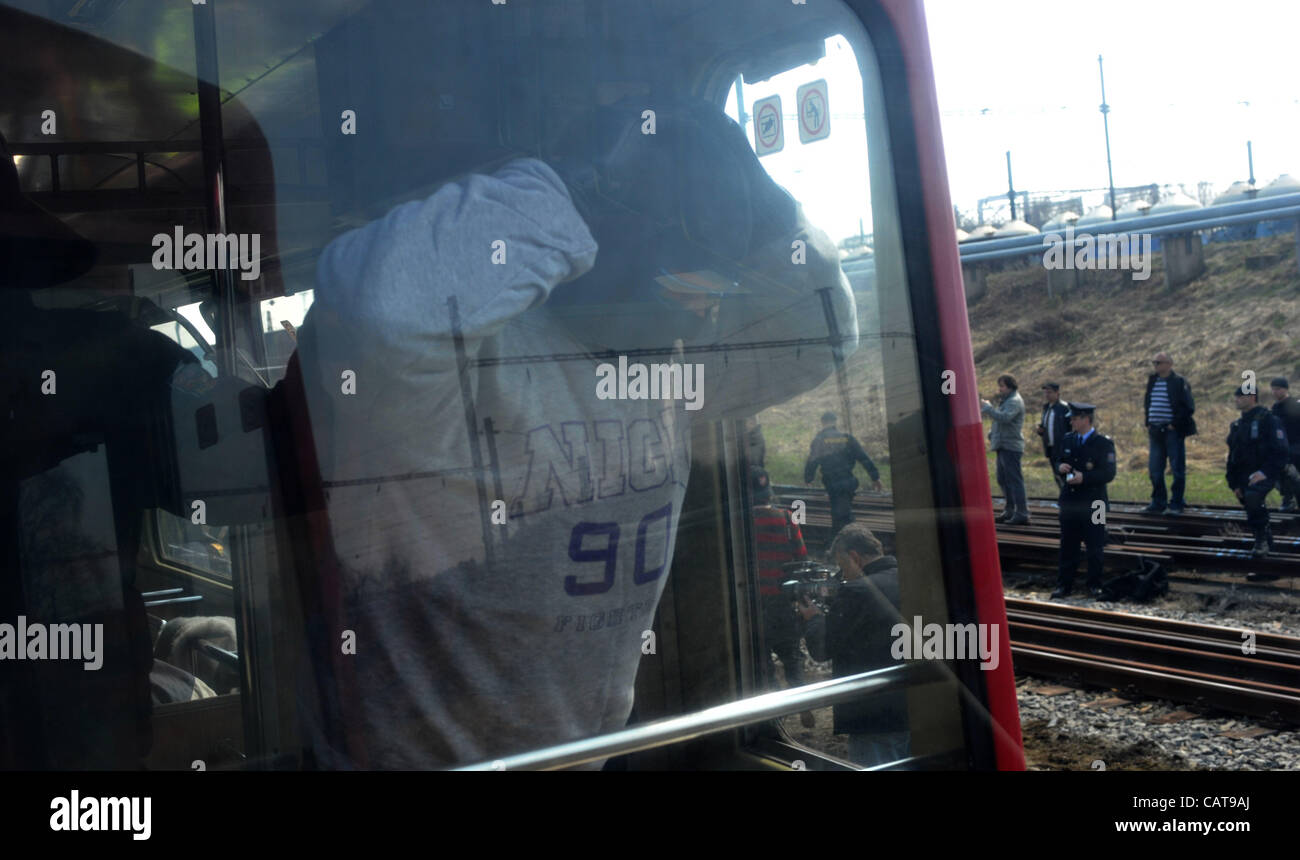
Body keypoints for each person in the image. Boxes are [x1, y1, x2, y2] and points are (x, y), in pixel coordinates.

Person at [293, 97, 859, 768]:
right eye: (690, 282)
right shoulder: (465, 367)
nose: (710, 312)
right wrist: (568, 186)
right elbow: (383, 308)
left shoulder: (671, 369)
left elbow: (824, 335)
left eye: (723, 287)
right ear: (606, 238)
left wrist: (764, 205)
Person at [797, 523, 909, 767]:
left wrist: (814, 618)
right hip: (913, 704)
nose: (842, 574)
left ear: (854, 557)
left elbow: (822, 649)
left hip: (873, 713)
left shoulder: (857, 591)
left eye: (842, 565)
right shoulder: (908, 577)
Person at [748, 467, 815, 727]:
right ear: (769, 494)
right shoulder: (787, 519)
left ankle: (777, 712)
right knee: (791, 656)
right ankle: (803, 705)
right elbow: (802, 558)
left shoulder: (741, 522)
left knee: (763, 660)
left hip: (754, 606)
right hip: (783, 602)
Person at [1051, 403, 1117, 599]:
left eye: (1075, 418)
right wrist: (1059, 466)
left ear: (1085, 419)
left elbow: (1109, 473)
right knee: (1068, 544)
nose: (1071, 422)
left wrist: (1086, 478)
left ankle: (1094, 584)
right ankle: (1064, 585)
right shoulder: (1068, 440)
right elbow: (1058, 459)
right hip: (1071, 500)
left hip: (1096, 503)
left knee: (1095, 545)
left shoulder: (1103, 443)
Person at [1226, 385, 1288, 557]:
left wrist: (1265, 472)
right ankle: (1266, 545)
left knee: (1253, 498)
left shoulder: (1269, 420)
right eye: (1236, 396)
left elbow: (1281, 451)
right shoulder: (1238, 425)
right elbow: (1233, 457)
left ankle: (1261, 540)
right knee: (1249, 503)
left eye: (1240, 396)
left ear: (1252, 397)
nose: (1236, 399)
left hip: (1266, 472)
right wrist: (1234, 483)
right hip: (1244, 475)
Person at [803, 411, 883, 537]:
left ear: (823, 423)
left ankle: (850, 541)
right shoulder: (847, 438)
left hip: (833, 483)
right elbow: (864, 457)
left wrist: (808, 477)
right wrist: (875, 477)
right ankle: (843, 542)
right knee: (842, 513)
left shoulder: (819, 440)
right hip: (849, 481)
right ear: (835, 422)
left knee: (841, 515)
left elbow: (812, 461)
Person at [1142, 352, 1196, 515]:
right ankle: (1158, 501)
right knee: (1154, 469)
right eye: (1154, 363)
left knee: (1177, 468)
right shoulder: (1152, 380)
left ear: (1169, 364)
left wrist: (1174, 424)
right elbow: (1148, 401)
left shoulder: (1179, 382)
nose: (1156, 366)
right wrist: (1148, 422)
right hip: (1155, 430)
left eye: (1159, 362)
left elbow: (1188, 406)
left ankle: (1176, 503)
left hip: (1172, 431)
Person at [980, 374, 1028, 525]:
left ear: (1010, 386)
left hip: (1010, 446)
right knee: (1003, 479)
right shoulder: (1007, 401)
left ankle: (1021, 512)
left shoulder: (1014, 401)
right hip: (1003, 445)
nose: (1000, 389)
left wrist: (988, 408)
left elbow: (1005, 418)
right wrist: (993, 434)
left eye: (1002, 386)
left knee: (1014, 480)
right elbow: (1002, 421)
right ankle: (1010, 510)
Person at [1269, 377, 1300, 512]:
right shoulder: (1275, 407)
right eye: (1273, 389)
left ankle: (1291, 499)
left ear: (1286, 389)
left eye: (1278, 389)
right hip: (1283, 447)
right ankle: (1288, 498)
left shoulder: (1295, 405)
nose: (1275, 392)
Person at [1036, 382, 1070, 490]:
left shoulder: (1064, 408)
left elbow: (1070, 427)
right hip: (1050, 447)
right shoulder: (1046, 408)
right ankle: (1063, 495)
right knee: (1056, 474)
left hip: (1062, 446)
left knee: (1064, 473)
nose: (1047, 395)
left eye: (1050, 392)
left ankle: (1068, 497)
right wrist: (1041, 431)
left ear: (1057, 393)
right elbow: (1046, 426)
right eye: (1046, 393)